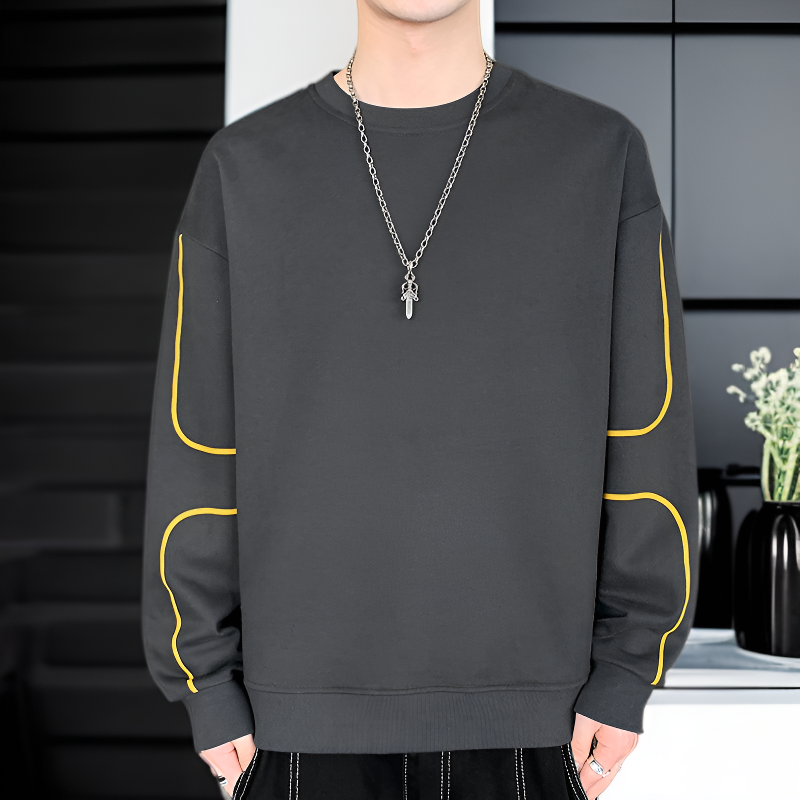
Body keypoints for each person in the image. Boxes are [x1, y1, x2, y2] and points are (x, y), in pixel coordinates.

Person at [142, 1, 698, 798]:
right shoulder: (243, 167)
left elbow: (647, 432)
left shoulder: (600, 156)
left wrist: (628, 666)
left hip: (540, 724)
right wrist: (205, 681)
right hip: (292, 728)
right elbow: (195, 443)